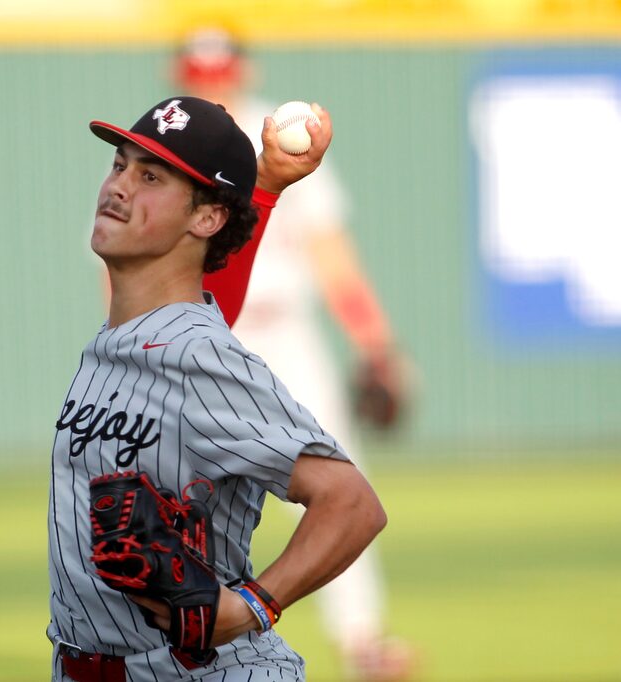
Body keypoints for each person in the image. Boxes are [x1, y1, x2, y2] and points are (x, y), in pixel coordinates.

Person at [46, 95, 387, 682]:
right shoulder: (127, 341)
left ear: (206, 218)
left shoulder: (197, 356)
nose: (119, 185)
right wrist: (267, 185)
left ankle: (362, 635)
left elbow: (352, 503)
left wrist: (255, 603)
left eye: (150, 176)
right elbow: (188, 312)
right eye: (120, 164)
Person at [175, 28, 414, 681]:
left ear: (242, 70)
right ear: (180, 71)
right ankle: (179, 646)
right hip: (208, 336)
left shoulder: (283, 135)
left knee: (340, 477)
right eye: (199, 72)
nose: (212, 83)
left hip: (286, 334)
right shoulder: (164, 144)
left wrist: (376, 342)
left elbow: (330, 254)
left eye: (221, 71)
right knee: (187, 496)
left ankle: (363, 639)